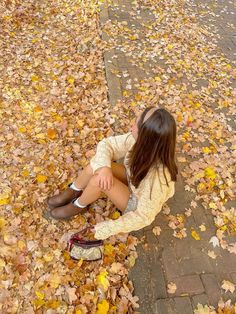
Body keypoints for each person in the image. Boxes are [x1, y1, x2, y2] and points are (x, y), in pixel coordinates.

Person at [45, 106, 178, 241]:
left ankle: (78, 206)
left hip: (135, 203)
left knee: (98, 181)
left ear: (146, 137)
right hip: (133, 179)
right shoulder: (137, 140)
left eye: (136, 125)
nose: (132, 125)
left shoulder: (158, 180)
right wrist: (104, 168)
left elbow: (143, 217)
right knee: (98, 163)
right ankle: (74, 190)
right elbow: (107, 144)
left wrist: (107, 228)